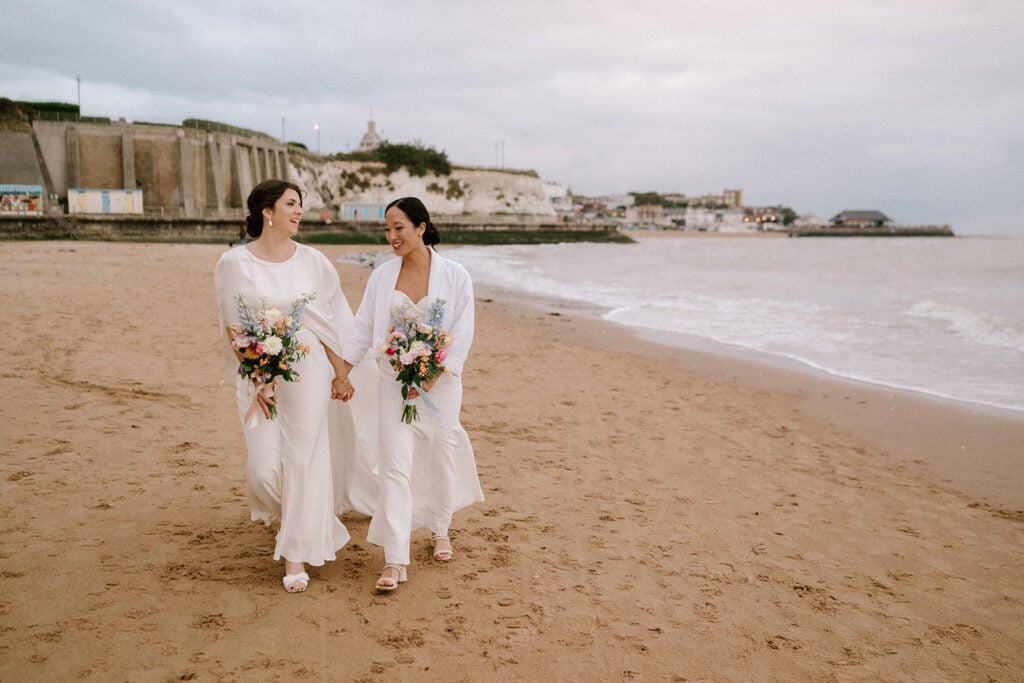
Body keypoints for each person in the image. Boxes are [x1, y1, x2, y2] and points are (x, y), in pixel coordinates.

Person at [213, 179, 377, 593]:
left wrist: (342, 374)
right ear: (267, 211)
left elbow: (332, 323)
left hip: (308, 368)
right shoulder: (233, 264)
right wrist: (257, 372)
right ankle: (298, 520)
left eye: (300, 204)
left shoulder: (315, 262)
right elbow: (233, 327)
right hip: (258, 375)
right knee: (264, 469)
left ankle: (295, 554)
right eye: (291, 203)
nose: (299, 210)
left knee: (304, 458)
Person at [336, 196, 483, 592]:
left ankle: (440, 529)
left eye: (399, 228)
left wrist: (439, 370)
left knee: (441, 453)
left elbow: (462, 331)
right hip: (393, 382)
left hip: (443, 384)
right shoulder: (382, 276)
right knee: (395, 464)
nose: (392, 236)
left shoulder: (455, 275)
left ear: (421, 227)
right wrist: (343, 371)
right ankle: (395, 559)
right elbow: (365, 325)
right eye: (387, 229)